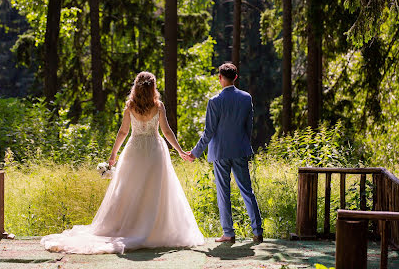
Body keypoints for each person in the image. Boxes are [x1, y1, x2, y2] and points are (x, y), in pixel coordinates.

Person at [40, 71, 204, 254]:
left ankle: (130, 226)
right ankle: (152, 228)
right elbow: (166, 132)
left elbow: (123, 132)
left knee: (129, 190)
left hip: (133, 151)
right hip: (154, 151)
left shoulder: (130, 106)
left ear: (136, 86)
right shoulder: (158, 106)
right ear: (153, 88)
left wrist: (114, 154)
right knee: (154, 190)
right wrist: (180, 150)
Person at [186, 62, 263, 244]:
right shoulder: (246, 98)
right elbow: (248, 127)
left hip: (220, 151)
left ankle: (228, 233)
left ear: (220, 77)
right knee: (247, 191)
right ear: (235, 77)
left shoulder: (215, 101)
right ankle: (257, 231)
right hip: (240, 149)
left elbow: (208, 132)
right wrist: (243, 142)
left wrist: (195, 153)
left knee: (223, 193)